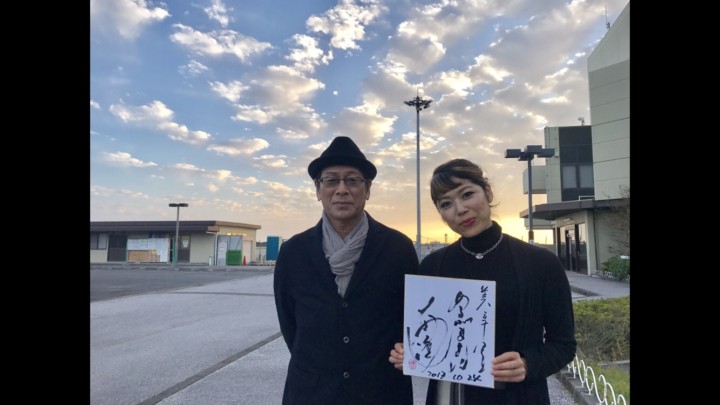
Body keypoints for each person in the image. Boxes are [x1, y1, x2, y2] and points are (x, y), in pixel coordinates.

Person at [389, 158, 576, 404]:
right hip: (449, 398)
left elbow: (563, 345)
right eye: (446, 204)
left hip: (519, 398)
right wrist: (409, 353)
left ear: (487, 191)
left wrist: (528, 364)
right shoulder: (432, 267)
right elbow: (426, 336)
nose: (460, 209)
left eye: (467, 194)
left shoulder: (540, 263)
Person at [274, 136, 419, 405]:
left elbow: (410, 319)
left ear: (367, 189)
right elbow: (290, 325)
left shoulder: (398, 248)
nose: (342, 190)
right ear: (318, 189)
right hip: (311, 392)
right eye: (331, 180)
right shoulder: (293, 252)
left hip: (382, 392)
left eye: (352, 180)